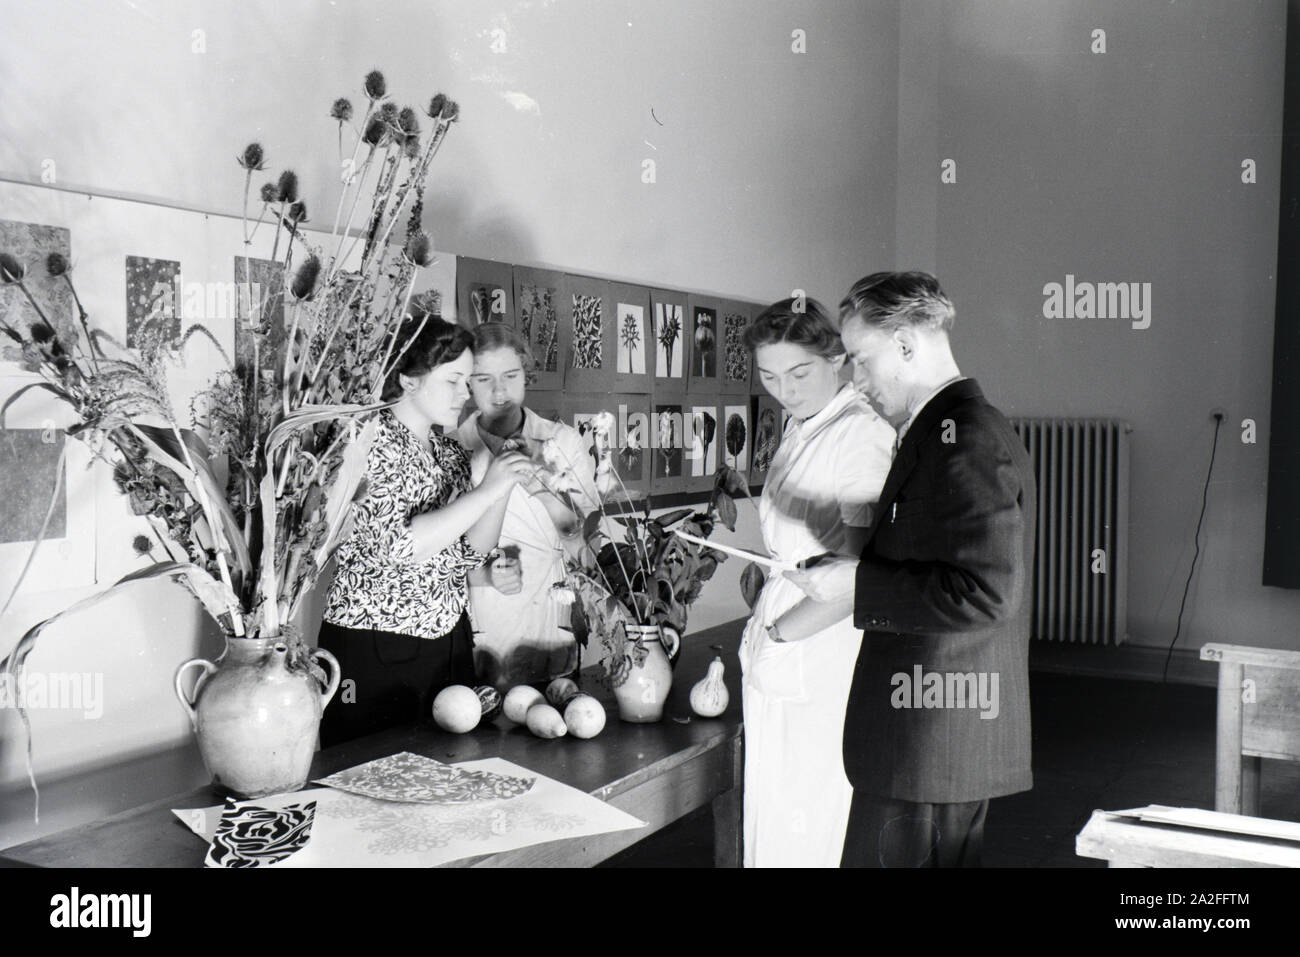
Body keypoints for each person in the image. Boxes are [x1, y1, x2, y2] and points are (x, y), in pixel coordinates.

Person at [786, 271, 1036, 867]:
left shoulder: (965, 436)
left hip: (931, 743)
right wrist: (853, 568)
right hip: (928, 741)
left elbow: (987, 592)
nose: (856, 379)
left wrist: (855, 583)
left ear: (904, 344)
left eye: (861, 359)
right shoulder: (940, 429)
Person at [318, 316, 536, 746]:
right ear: (408, 380)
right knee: (364, 771)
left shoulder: (449, 451)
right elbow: (402, 546)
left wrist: (502, 481)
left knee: (451, 766)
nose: (465, 394)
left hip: (448, 641)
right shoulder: (366, 443)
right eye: (453, 381)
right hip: (373, 643)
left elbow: (469, 554)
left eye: (466, 382)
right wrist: (485, 491)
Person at [738, 296, 895, 867]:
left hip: (818, 639)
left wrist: (780, 636)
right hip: (788, 624)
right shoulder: (804, 426)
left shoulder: (859, 436)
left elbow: (857, 574)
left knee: (804, 816)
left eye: (799, 373)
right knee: (774, 807)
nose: (785, 390)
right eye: (770, 376)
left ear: (836, 358)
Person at [457, 322, 599, 689]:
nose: (499, 391)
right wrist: (486, 576)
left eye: (510, 375)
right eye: (483, 378)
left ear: (526, 374)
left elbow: (590, 549)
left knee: (557, 705)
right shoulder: (454, 447)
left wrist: (546, 489)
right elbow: (440, 563)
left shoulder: (563, 442)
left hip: (554, 616)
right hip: (488, 621)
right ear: (467, 382)